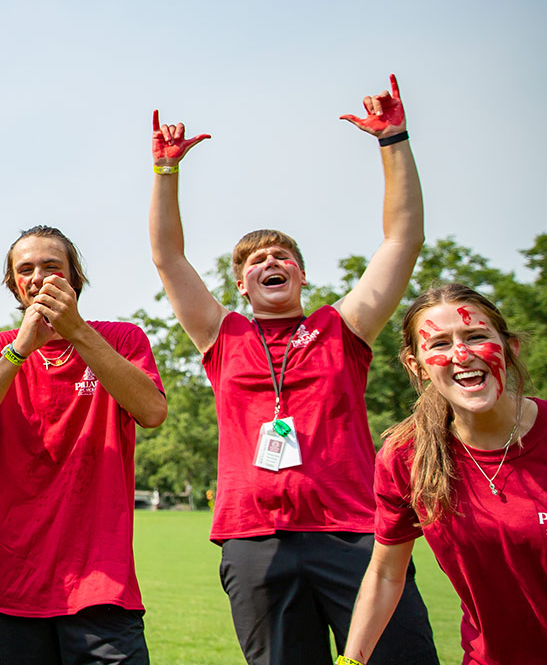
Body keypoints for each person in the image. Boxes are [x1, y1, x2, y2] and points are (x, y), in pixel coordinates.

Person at [148, 76, 438, 664]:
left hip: (356, 532)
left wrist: (394, 140)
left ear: (302, 276)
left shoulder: (343, 327)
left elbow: (402, 239)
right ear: (240, 284)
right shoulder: (222, 333)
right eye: (256, 260)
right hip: (255, 542)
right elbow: (168, 256)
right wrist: (165, 172)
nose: (270, 262)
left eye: (283, 257)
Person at [0, 225, 167, 663]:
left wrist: (78, 332)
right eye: (25, 269)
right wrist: (19, 350)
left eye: (52, 267)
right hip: (11, 589)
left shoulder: (122, 339)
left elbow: (151, 411)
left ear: (74, 279)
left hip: (102, 587)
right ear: (14, 285)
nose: (38, 277)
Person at [342, 285, 547, 665]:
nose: (462, 354)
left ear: (510, 348)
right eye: (438, 343)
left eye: (476, 336)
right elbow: (387, 575)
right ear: (416, 366)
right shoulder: (406, 457)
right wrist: (350, 662)